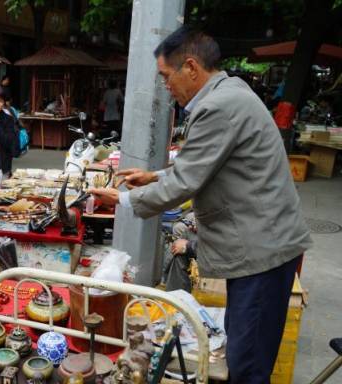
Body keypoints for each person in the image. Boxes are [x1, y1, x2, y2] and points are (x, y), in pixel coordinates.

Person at [89, 27, 312, 383]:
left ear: (190, 67)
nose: (166, 86)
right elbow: (205, 164)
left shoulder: (217, 106)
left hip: (262, 250)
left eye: (166, 76)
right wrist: (154, 177)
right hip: (265, 245)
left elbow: (187, 182)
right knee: (245, 352)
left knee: (247, 365)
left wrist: (123, 199)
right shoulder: (231, 91)